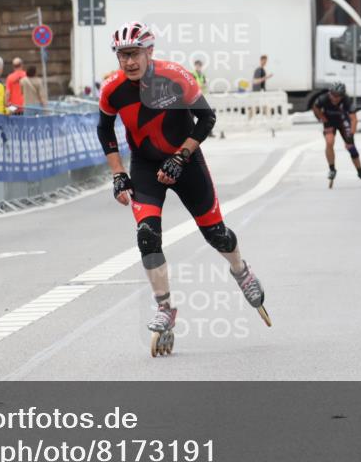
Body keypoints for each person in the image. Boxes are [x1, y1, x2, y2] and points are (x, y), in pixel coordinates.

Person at [97, 21, 270, 357]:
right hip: (145, 167)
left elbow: (206, 119)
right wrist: (117, 173)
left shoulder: (176, 77)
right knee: (147, 235)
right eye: (122, 56)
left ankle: (241, 270)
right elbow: (104, 129)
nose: (129, 62)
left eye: (134, 54)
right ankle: (165, 308)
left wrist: (180, 157)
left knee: (216, 234)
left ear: (149, 52)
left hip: (187, 163)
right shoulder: (112, 89)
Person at [310, 82, 361, 188]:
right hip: (329, 121)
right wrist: (323, 119)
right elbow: (315, 108)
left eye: (338, 96)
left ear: (342, 96)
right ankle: (332, 169)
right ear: (330, 93)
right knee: (329, 142)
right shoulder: (323, 98)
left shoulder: (347, 100)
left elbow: (354, 120)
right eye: (333, 95)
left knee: (350, 146)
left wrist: (351, 135)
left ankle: (360, 172)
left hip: (343, 121)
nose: (335, 98)